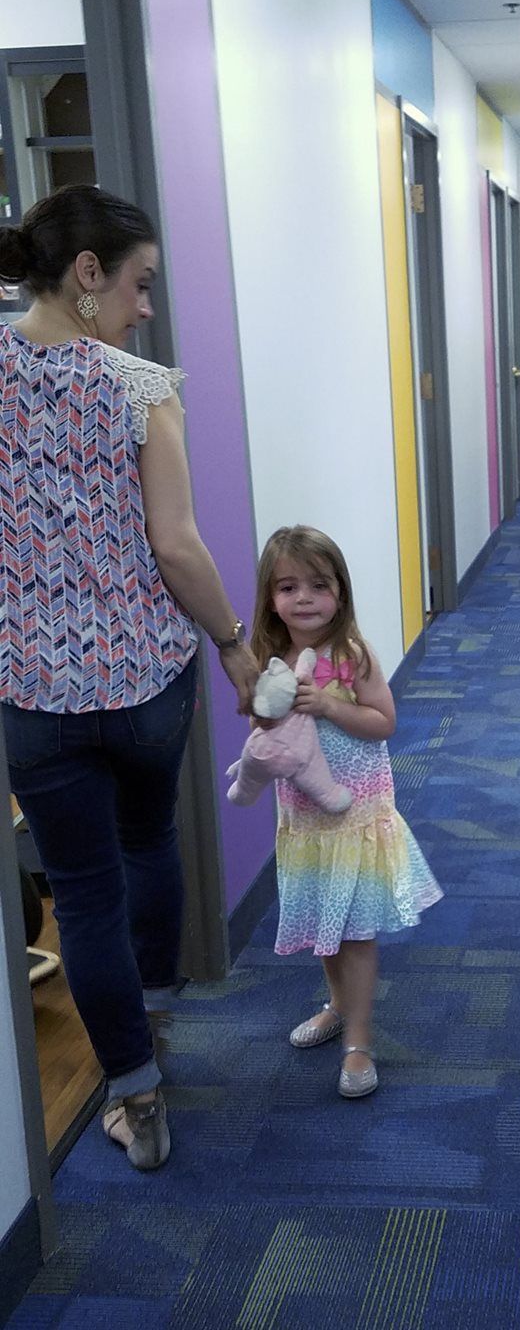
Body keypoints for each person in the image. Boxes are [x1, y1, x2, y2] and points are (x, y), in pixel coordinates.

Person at [0, 185, 258, 1170]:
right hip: (146, 679)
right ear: (88, 273)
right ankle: (149, 1012)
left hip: (35, 697)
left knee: (83, 893)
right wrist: (234, 641)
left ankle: (135, 1099)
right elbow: (178, 544)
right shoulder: (138, 385)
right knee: (149, 840)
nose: (146, 304)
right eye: (139, 282)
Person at [249, 525, 441, 1097]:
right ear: (269, 598)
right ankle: (336, 1005)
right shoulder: (272, 657)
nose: (303, 598)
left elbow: (384, 722)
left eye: (318, 585)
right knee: (323, 928)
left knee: (355, 933)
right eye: (287, 587)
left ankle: (359, 1037)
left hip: (355, 813)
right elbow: (266, 726)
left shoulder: (350, 655)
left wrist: (332, 706)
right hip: (305, 818)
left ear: (341, 592)